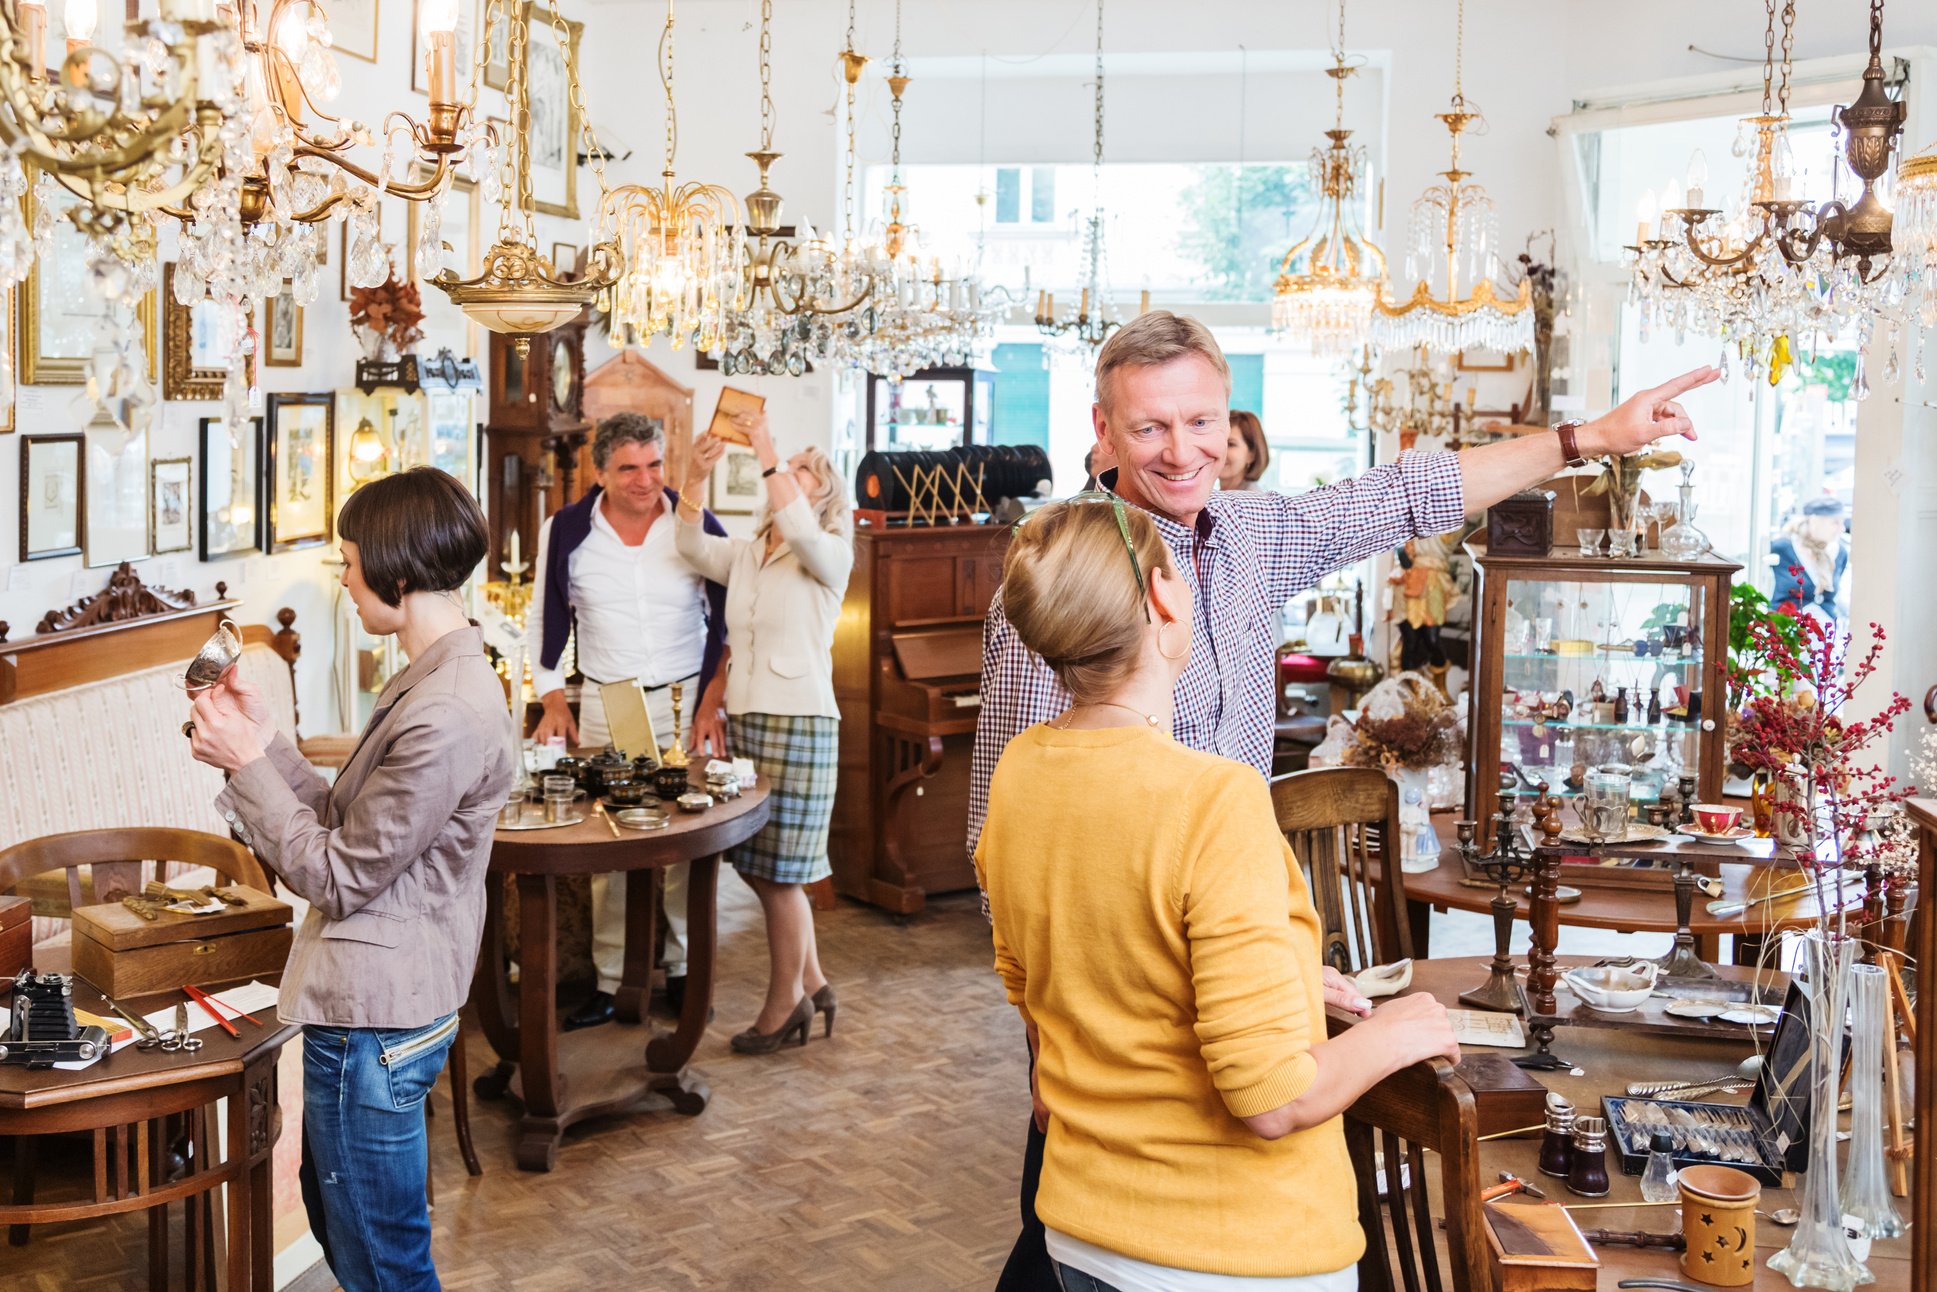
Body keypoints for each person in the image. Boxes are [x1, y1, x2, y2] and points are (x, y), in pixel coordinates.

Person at [970, 310, 1717, 1291]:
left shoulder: (1253, 532)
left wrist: (1589, 439)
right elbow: (1020, 835)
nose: (1181, 450)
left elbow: (1407, 491)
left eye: (1201, 420)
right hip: (1116, 1027)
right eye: (1149, 427)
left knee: (1097, 1244)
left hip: (1215, 963)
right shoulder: (1071, 580)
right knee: (1091, 1227)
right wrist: (1051, 1042)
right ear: (1101, 428)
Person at [978, 494, 1460, 1290]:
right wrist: (1400, 1031)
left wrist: (1265, 979)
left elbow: (1053, 979)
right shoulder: (1212, 797)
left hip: (1082, 1231)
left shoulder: (1021, 770)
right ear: (1165, 598)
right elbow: (1269, 1099)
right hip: (1228, 1251)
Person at [184, 468, 515, 1291]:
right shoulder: (436, 679)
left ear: (396, 574)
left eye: (350, 562)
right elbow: (349, 822)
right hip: (390, 1001)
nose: (344, 581)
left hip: (376, 1018)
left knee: (382, 1262)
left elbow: (335, 875)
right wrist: (269, 744)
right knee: (354, 1231)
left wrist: (246, 766)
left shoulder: (443, 709)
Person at [528, 412, 732, 1029]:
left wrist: (711, 701)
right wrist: (552, 697)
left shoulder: (694, 523)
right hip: (606, 699)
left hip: (683, 697)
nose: (646, 481)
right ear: (600, 472)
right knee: (607, 843)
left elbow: (729, 619)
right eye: (629, 468)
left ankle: (684, 973)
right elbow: (544, 617)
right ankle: (613, 980)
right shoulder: (565, 530)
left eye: (654, 465)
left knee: (685, 844)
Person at [675, 412, 854, 1053]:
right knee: (757, 864)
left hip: (802, 723)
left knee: (782, 874)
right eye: (786, 469)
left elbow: (802, 529)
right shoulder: (751, 553)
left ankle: (786, 1006)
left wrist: (766, 447)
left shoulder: (828, 554)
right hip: (750, 721)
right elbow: (691, 546)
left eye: (803, 470)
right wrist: (694, 477)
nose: (786, 476)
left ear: (819, 492)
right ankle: (813, 980)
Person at [1770, 495, 1847, 621]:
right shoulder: (1783, 548)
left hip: (1825, 634)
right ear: (1814, 520)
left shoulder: (1840, 553)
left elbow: (1837, 598)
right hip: (1786, 631)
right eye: (1835, 522)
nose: (1842, 528)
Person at [1219, 408, 1269, 491]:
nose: (1219, 451)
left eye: (1231, 444)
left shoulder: (1253, 501)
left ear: (1252, 454)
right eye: (1217, 442)